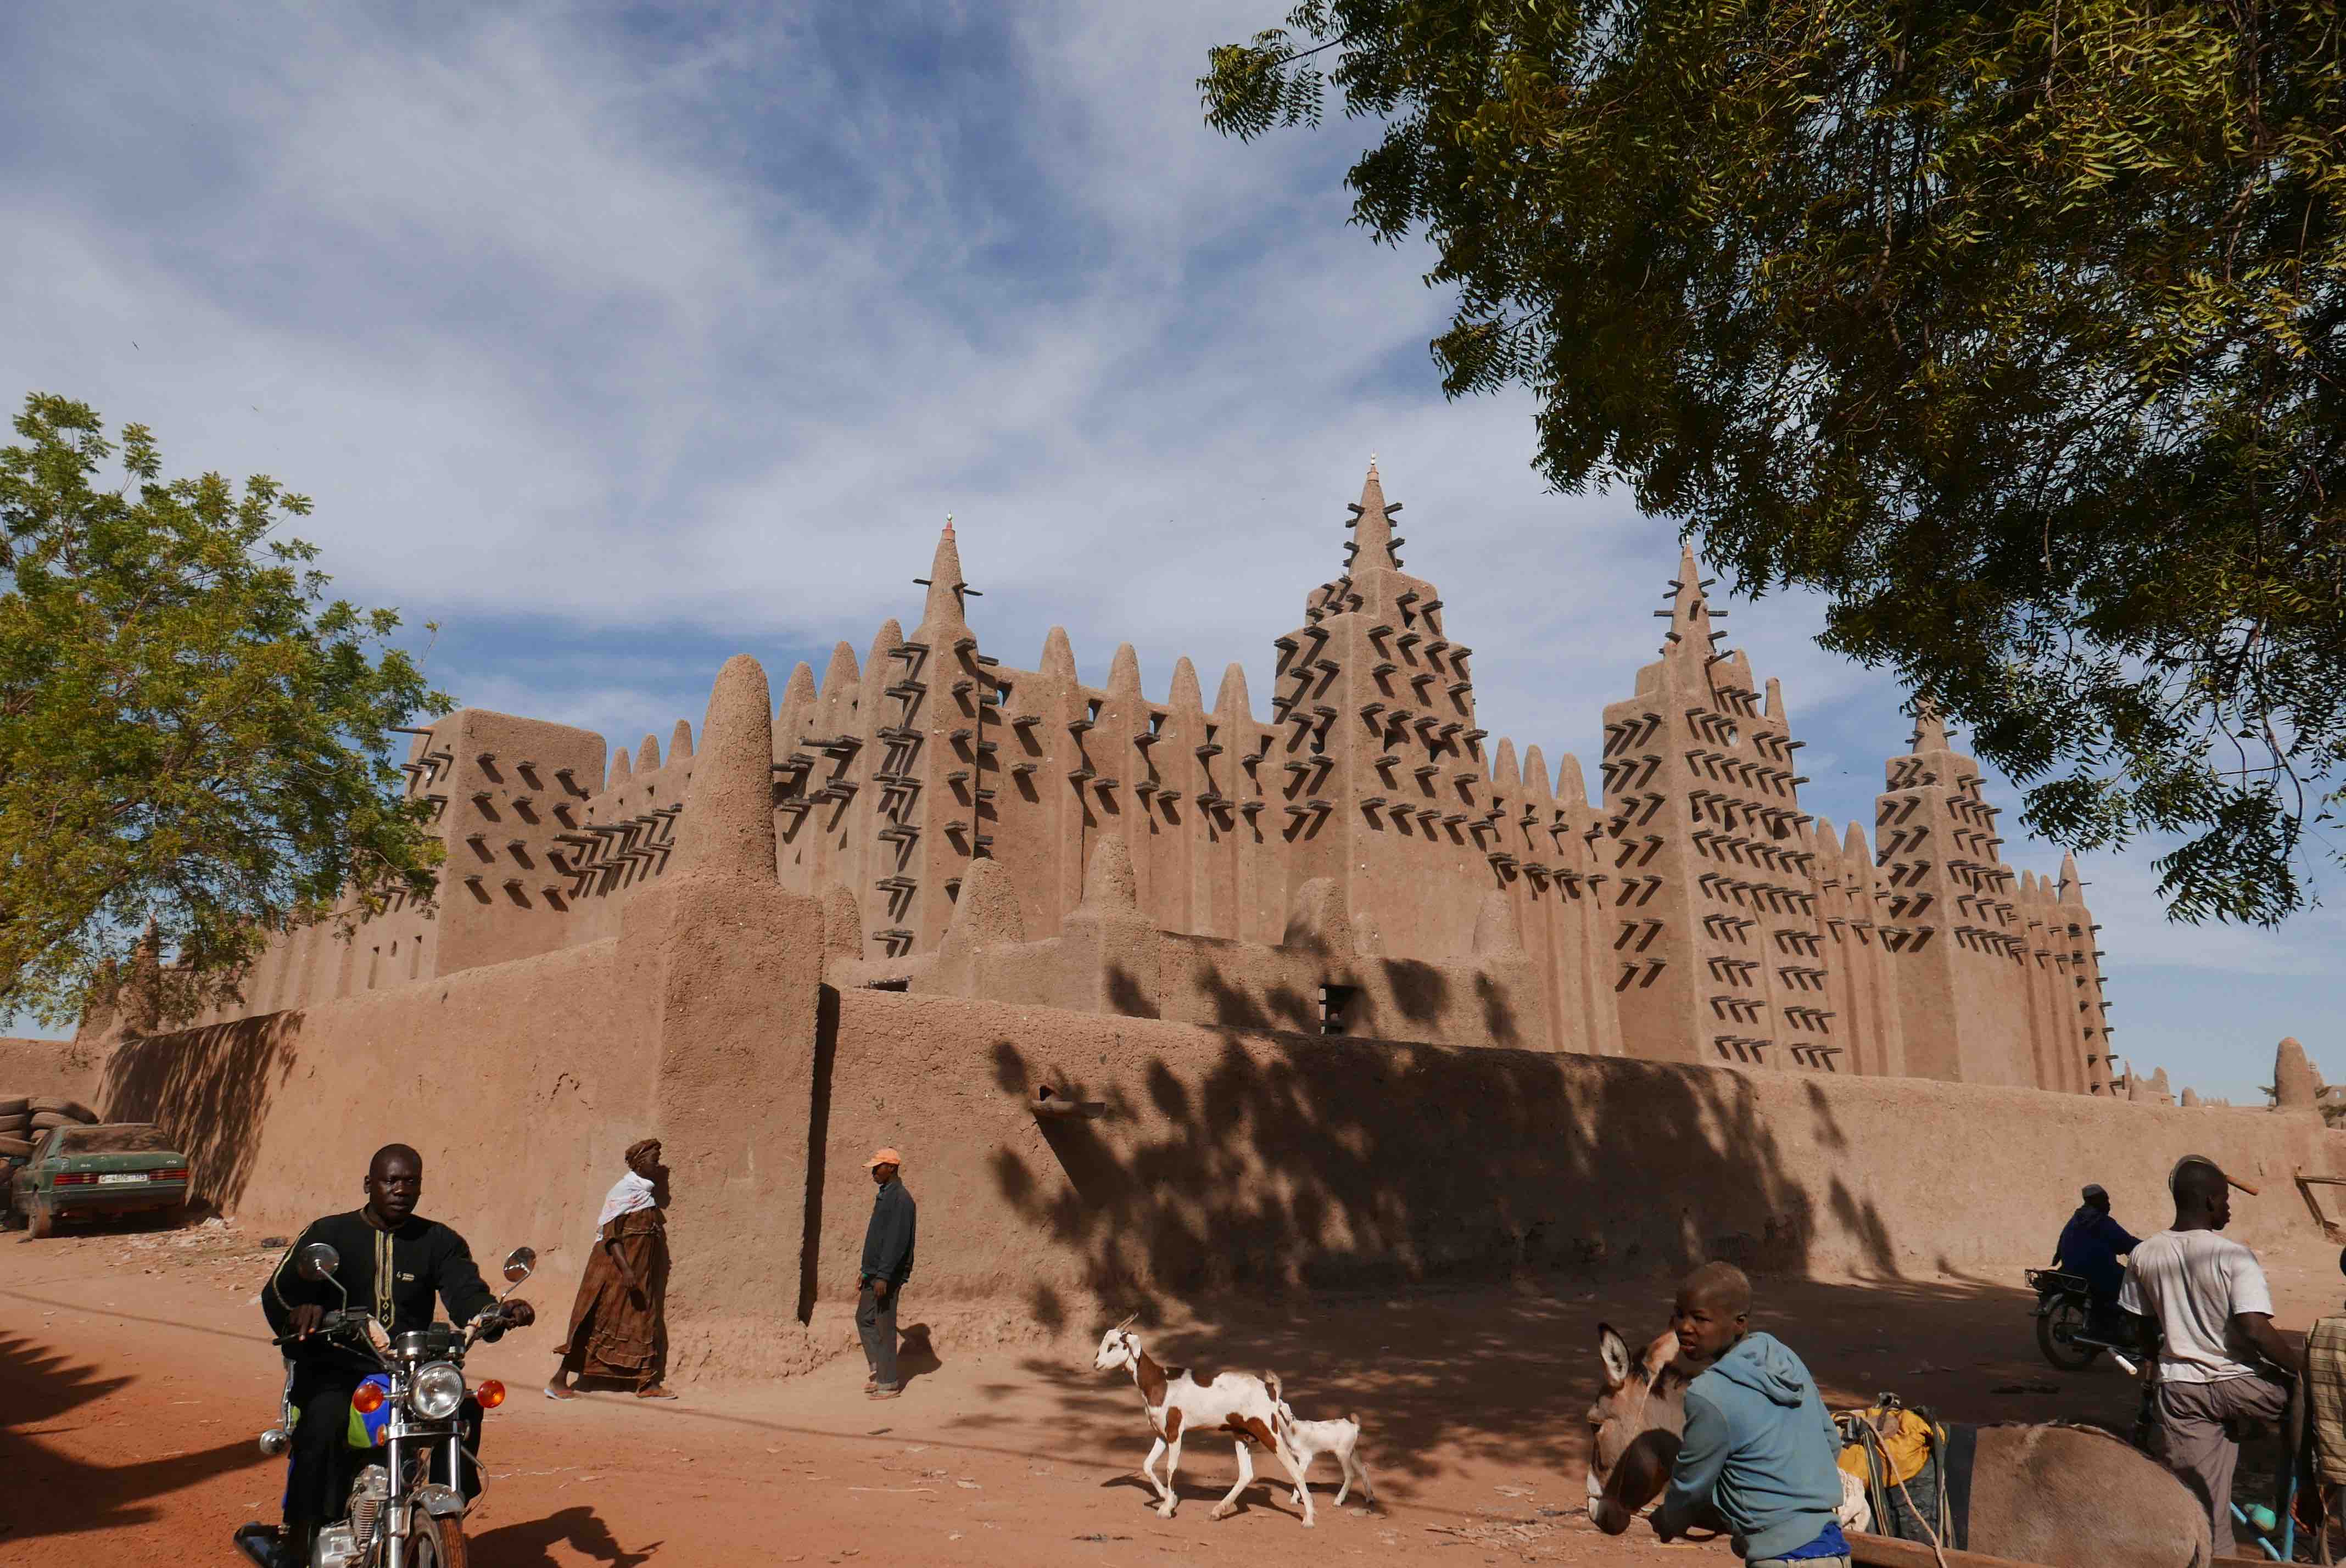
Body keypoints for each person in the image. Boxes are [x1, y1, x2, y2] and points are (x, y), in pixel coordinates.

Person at [260, 1144, 534, 1568]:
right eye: (391, 1181)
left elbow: (466, 1293)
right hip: (338, 1365)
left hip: (408, 1369)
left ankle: (442, 1515)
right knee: (324, 1423)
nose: (401, 1190)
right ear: (369, 1184)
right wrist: (302, 1305)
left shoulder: (438, 1240)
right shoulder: (330, 1233)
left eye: (411, 1182)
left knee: (462, 1409)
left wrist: (495, 1312)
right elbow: (278, 1291)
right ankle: (300, 1535)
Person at [2119, 1155, 2298, 1556]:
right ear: (2210, 1201)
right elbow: (2255, 1329)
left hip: (2181, 1391)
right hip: (2242, 1387)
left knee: (2201, 1498)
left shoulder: (2145, 1254)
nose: (2230, 1207)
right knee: (2307, 1403)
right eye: (2226, 1199)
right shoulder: (2233, 1255)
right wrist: (2299, 1371)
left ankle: (2214, 1554)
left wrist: (2159, 1356)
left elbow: (2141, 1326)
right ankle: (2297, 1507)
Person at [1654, 1262, 1850, 1567]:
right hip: (1834, 1552)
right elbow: (1830, 1442)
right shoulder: (1786, 1360)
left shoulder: (1709, 1393)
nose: (1684, 1327)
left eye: (1700, 1318)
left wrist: (1671, 1519)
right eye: (1679, 1313)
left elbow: (1692, 1483)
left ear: (1739, 1323)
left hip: (1779, 1558)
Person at [546, 1137, 675, 1401]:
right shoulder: (623, 1191)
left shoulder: (645, 1194)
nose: (657, 1165)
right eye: (654, 1160)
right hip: (616, 1274)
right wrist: (627, 1270)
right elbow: (611, 1235)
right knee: (596, 1321)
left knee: (644, 1321)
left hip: (639, 1274)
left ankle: (646, 1383)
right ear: (639, 1163)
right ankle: (559, 1379)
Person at [857, 1146, 916, 1401]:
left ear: (891, 1168)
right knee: (864, 1318)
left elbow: (896, 1242)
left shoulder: (902, 1200)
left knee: (884, 1326)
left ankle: (888, 1383)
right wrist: (866, 1271)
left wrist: (883, 1276)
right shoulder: (885, 1196)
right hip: (874, 1273)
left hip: (887, 1276)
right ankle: (878, 1370)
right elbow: (877, 1238)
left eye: (877, 1167)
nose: (873, 1172)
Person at [2052, 1181, 2141, 1337]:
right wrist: (2147, 1247)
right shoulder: (2102, 1222)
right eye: (2105, 1200)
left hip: (2070, 1270)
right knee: (2132, 1283)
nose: (2109, 1204)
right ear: (2097, 1201)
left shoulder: (2075, 1220)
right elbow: (2125, 1242)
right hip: (2098, 1272)